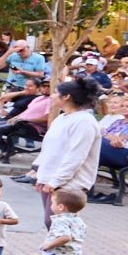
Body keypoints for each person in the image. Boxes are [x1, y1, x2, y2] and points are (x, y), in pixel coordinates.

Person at [30, 76, 102, 213]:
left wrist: (56, 181)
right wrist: (42, 175)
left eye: (56, 93)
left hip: (69, 183)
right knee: (50, 222)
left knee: (59, 223)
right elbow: (49, 149)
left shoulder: (84, 122)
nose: (52, 96)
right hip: (50, 178)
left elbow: (76, 156)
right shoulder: (62, 118)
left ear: (66, 97)